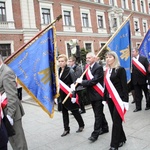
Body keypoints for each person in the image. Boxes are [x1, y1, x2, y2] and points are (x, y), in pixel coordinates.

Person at [76, 52, 109, 142]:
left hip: (98, 95)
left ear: (94, 58)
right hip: (91, 94)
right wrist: (75, 84)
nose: (87, 59)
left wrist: (82, 82)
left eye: (89, 58)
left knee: (97, 115)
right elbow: (83, 78)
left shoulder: (98, 67)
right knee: (99, 113)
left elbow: (94, 81)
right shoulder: (87, 67)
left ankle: (95, 134)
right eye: (87, 58)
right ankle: (105, 127)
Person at [0, 55, 28, 150]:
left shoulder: (6, 72)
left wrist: (10, 116)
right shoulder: (1, 71)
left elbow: (12, 96)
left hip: (11, 113)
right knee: (12, 141)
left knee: (18, 143)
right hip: (3, 112)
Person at [103, 51, 129, 150]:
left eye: (110, 57)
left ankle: (114, 145)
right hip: (110, 99)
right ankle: (122, 138)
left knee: (116, 122)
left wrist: (125, 101)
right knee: (115, 120)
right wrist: (104, 98)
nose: (108, 59)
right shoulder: (107, 70)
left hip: (119, 100)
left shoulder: (120, 70)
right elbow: (106, 86)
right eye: (106, 57)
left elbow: (124, 86)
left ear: (115, 58)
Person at [58, 54, 85, 137]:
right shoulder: (58, 70)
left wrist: (74, 96)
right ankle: (66, 129)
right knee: (64, 112)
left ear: (66, 62)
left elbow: (74, 83)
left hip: (69, 93)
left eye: (62, 61)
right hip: (62, 94)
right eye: (59, 61)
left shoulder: (70, 70)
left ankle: (81, 124)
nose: (60, 63)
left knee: (74, 111)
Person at [132, 47, 150, 112]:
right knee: (137, 95)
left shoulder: (144, 59)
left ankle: (148, 105)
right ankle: (138, 107)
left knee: (146, 93)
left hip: (144, 80)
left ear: (137, 52)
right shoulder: (131, 60)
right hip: (135, 81)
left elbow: (148, 70)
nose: (132, 53)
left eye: (133, 51)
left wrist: (148, 79)